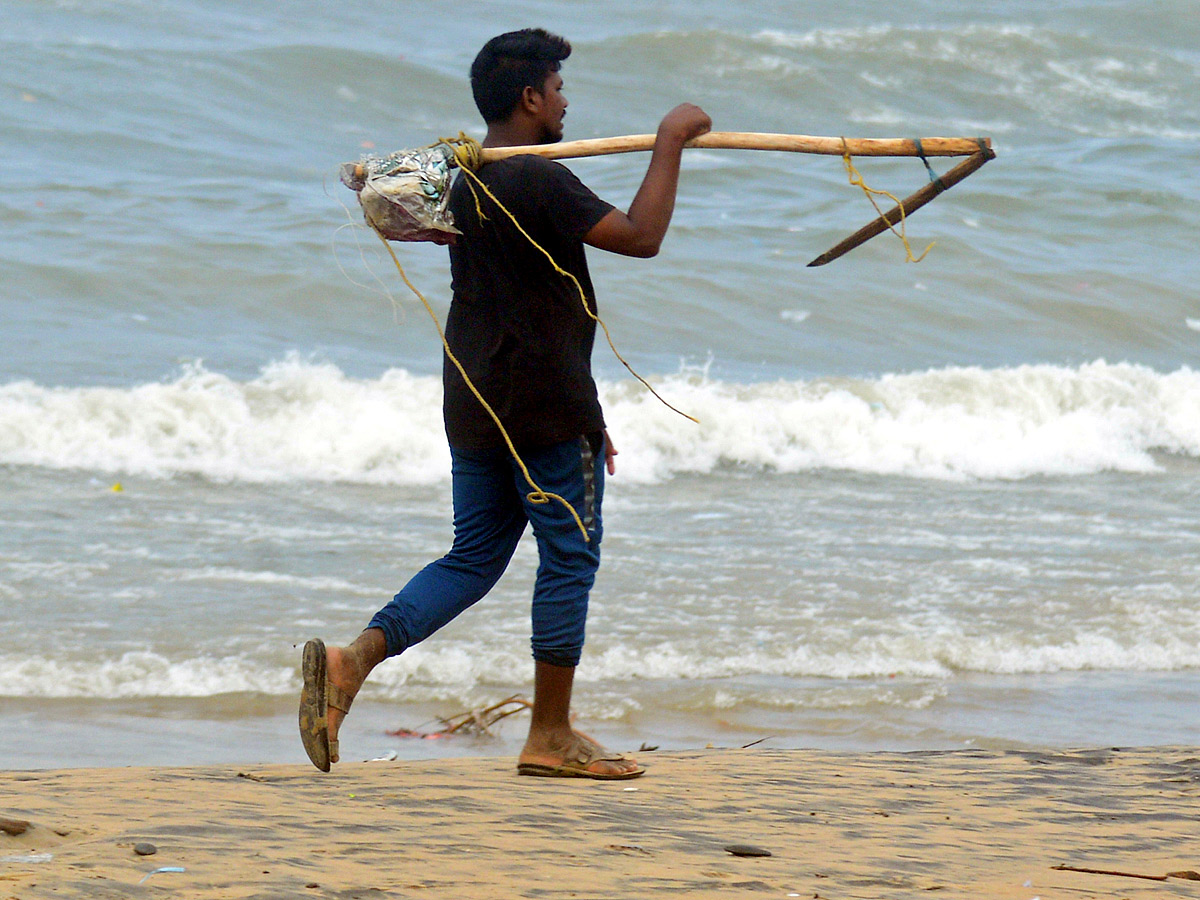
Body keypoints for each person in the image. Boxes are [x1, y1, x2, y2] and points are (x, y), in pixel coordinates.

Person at [299, 27, 711, 778]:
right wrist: (671, 137)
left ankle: (353, 658)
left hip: (476, 397)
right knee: (568, 557)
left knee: (475, 555)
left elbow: (525, 300)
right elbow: (643, 237)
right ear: (529, 98)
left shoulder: (465, 181)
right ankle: (550, 733)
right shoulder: (536, 177)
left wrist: (593, 417)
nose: (564, 102)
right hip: (544, 402)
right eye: (557, 89)